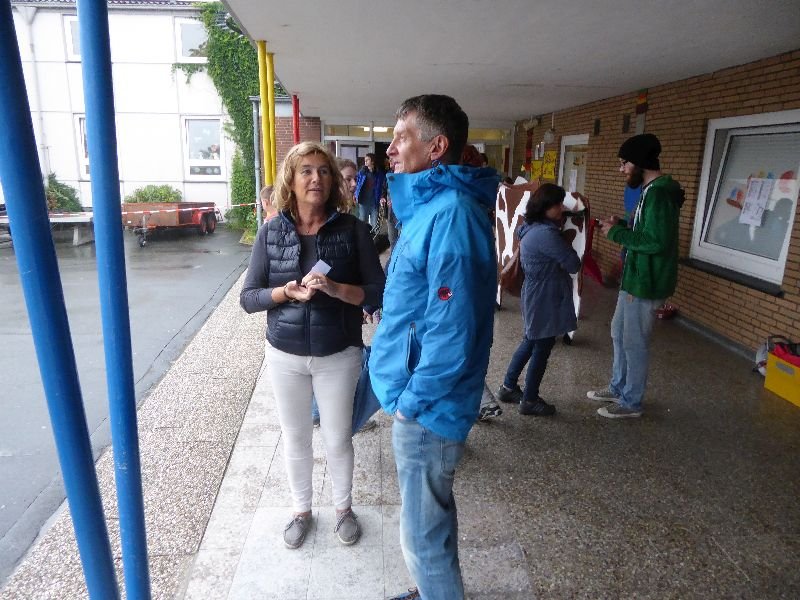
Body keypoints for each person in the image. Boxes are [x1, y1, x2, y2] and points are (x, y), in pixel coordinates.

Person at [369, 95, 499, 600]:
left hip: (429, 409)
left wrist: (411, 404)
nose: (390, 150)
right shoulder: (431, 209)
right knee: (429, 518)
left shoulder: (451, 215)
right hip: (421, 400)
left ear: (436, 147)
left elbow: (453, 331)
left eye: (401, 138)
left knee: (422, 536)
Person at [240, 141, 385, 549]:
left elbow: (378, 291)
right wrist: (283, 293)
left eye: (323, 171)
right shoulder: (271, 232)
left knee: (338, 437)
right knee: (296, 436)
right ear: (291, 179)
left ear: (333, 181)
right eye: (305, 170)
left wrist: (337, 288)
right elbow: (249, 298)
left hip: (338, 353)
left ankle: (343, 508)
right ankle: (301, 510)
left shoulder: (353, 230)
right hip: (284, 354)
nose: (315, 178)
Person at [588, 133, 684, 418]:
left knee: (634, 342)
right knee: (618, 331)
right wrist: (623, 224)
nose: (621, 170)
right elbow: (647, 229)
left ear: (640, 162)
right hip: (633, 278)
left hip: (646, 282)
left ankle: (631, 402)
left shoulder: (659, 194)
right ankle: (619, 386)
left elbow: (656, 242)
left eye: (624, 163)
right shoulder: (650, 189)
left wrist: (616, 234)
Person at [496, 184, 580, 416]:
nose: (562, 208)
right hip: (545, 296)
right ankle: (530, 400)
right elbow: (573, 264)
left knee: (531, 341)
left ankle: (508, 387)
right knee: (541, 347)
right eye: (558, 205)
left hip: (535, 292)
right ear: (545, 207)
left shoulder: (530, 227)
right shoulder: (547, 234)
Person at [354, 153, 386, 227]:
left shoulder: (379, 174)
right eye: (365, 160)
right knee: (362, 224)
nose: (365, 161)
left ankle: (373, 235)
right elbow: (357, 184)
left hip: (374, 203)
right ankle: (363, 235)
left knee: (375, 225)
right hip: (363, 203)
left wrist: (382, 197)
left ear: (372, 161)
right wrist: (355, 194)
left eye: (367, 159)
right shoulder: (362, 172)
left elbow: (383, 187)